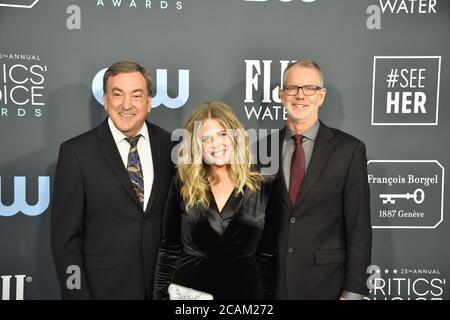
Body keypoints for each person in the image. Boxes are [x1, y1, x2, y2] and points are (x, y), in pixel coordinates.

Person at [51, 60, 174, 299]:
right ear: (105, 101)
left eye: (137, 96)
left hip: (163, 290)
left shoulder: (171, 146)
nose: (126, 105)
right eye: (117, 94)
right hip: (103, 291)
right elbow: (65, 242)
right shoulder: (76, 153)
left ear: (149, 103)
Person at [264, 59, 372, 300]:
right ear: (282, 95)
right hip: (271, 285)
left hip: (327, 285)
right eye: (292, 88)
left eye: (310, 88)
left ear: (321, 96)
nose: (300, 96)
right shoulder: (261, 148)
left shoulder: (349, 150)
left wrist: (353, 291)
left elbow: (359, 226)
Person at [153, 101, 276, 300]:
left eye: (222, 134)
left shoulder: (264, 184)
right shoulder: (183, 184)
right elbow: (169, 251)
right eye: (206, 138)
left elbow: (268, 255)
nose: (216, 144)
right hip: (190, 296)